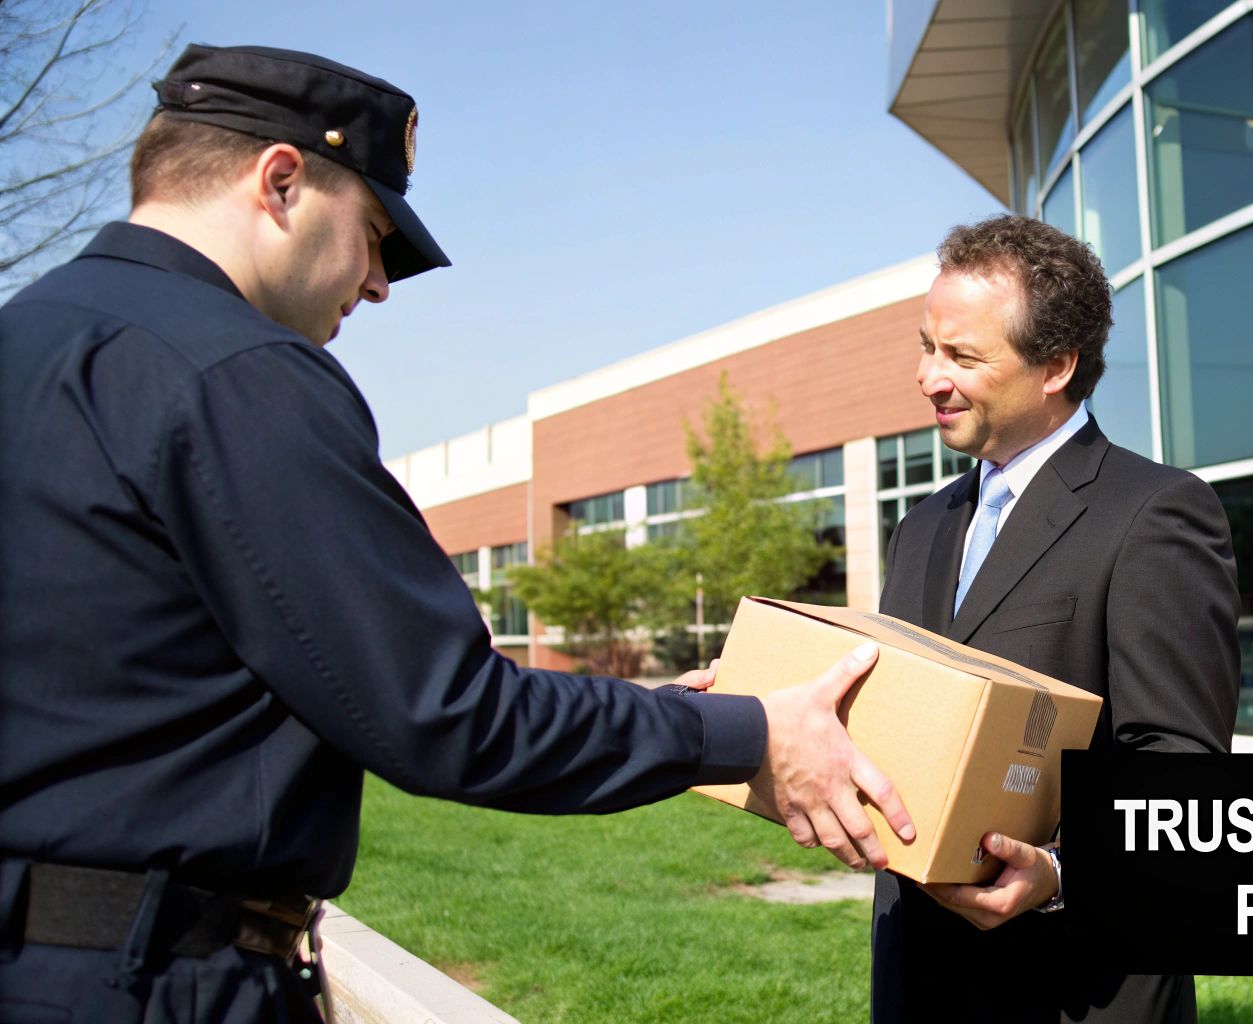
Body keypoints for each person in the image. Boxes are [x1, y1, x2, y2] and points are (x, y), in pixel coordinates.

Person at [0, 44, 909, 1022]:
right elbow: (448, 713)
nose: (379, 285)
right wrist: (752, 731)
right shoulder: (239, 373)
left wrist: (651, 708)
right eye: (374, 234)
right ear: (281, 181)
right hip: (154, 982)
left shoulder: (30, 341)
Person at [869, 215, 1241, 1023]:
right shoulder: (920, 528)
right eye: (927, 346)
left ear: (1057, 366)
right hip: (917, 982)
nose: (930, 377)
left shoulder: (1155, 514)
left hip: (1072, 988)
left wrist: (1063, 874)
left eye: (963, 356)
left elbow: (1181, 776)